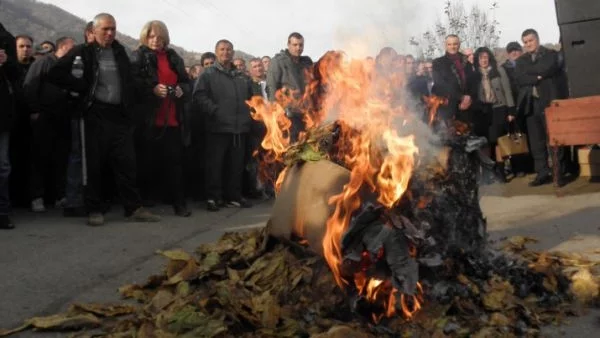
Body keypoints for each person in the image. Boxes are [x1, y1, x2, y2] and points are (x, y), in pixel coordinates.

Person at [47, 13, 161, 226]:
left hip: (120, 115)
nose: (110, 33)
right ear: (94, 30)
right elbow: (55, 73)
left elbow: (130, 81)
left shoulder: (120, 52)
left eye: (113, 29)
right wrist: (81, 87)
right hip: (95, 114)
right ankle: (94, 209)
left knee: (127, 163)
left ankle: (133, 208)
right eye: (105, 29)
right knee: (94, 164)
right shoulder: (83, 52)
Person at [131, 20, 191, 217]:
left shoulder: (174, 57)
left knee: (175, 163)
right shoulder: (138, 56)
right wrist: (152, 89)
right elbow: (131, 82)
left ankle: (179, 203)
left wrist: (182, 89)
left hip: (172, 118)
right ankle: (145, 202)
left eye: (159, 36)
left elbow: (187, 83)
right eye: (151, 36)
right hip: (148, 119)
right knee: (146, 162)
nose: (155, 40)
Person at [194, 39, 254, 211]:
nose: (226, 52)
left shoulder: (242, 76)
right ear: (216, 52)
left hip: (239, 128)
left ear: (233, 53)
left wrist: (250, 117)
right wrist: (215, 111)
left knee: (236, 165)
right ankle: (214, 198)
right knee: (215, 165)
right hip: (218, 127)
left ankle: (234, 196)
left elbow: (251, 100)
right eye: (222, 49)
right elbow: (199, 96)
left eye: (229, 49)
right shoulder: (208, 74)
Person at [23, 36, 76, 212]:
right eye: (71, 47)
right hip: (44, 117)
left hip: (62, 118)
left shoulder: (67, 67)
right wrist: (34, 110)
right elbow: (30, 85)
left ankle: (59, 195)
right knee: (39, 157)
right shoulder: (44, 62)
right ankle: (36, 197)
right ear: (62, 47)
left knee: (60, 157)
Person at [515, 29, 566, 187]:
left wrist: (532, 74)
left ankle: (560, 172)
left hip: (549, 102)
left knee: (554, 139)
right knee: (536, 141)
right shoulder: (521, 60)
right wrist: (536, 76)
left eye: (530, 40)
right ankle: (542, 172)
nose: (528, 44)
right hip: (531, 103)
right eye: (525, 42)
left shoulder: (549, 54)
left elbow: (547, 68)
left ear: (537, 39)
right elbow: (520, 78)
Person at [471, 47, 516, 183]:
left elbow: (507, 90)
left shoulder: (499, 70)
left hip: (498, 108)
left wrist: (511, 110)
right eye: (481, 58)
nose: (484, 60)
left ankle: (501, 171)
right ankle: (489, 172)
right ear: (477, 60)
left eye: (486, 57)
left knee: (498, 141)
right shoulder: (474, 74)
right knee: (486, 142)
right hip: (482, 111)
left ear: (489, 58)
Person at [266, 32, 313, 142]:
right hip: (289, 114)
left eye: (301, 45)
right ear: (288, 45)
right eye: (295, 45)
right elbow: (271, 87)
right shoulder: (278, 61)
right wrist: (276, 113)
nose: (298, 48)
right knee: (292, 149)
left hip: (306, 113)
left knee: (308, 146)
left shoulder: (306, 62)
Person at [431, 34, 475, 124]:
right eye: (449, 44)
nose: (452, 47)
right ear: (445, 45)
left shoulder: (466, 61)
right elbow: (440, 84)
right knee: (449, 135)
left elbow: (472, 81)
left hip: (467, 106)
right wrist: (461, 97)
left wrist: (468, 98)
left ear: (459, 44)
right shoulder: (438, 63)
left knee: (468, 134)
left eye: (455, 44)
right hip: (448, 107)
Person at [0, 22, 18, 229]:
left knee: (2, 166)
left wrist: (7, 62)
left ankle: (2, 211)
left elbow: (16, 75)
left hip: (2, 111)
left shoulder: (7, 38)